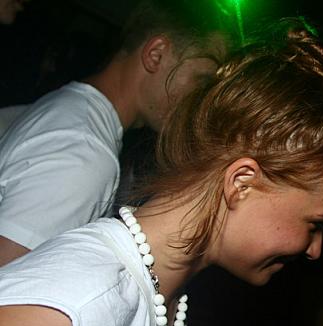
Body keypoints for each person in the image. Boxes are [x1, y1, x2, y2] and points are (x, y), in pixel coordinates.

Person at [0, 17, 323, 326]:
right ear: (241, 183)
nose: (315, 249)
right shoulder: (77, 309)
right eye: (315, 223)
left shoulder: (162, 299)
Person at [0, 0, 230, 267]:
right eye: (200, 81)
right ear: (155, 54)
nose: (198, 102)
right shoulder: (85, 151)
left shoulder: (70, 106)